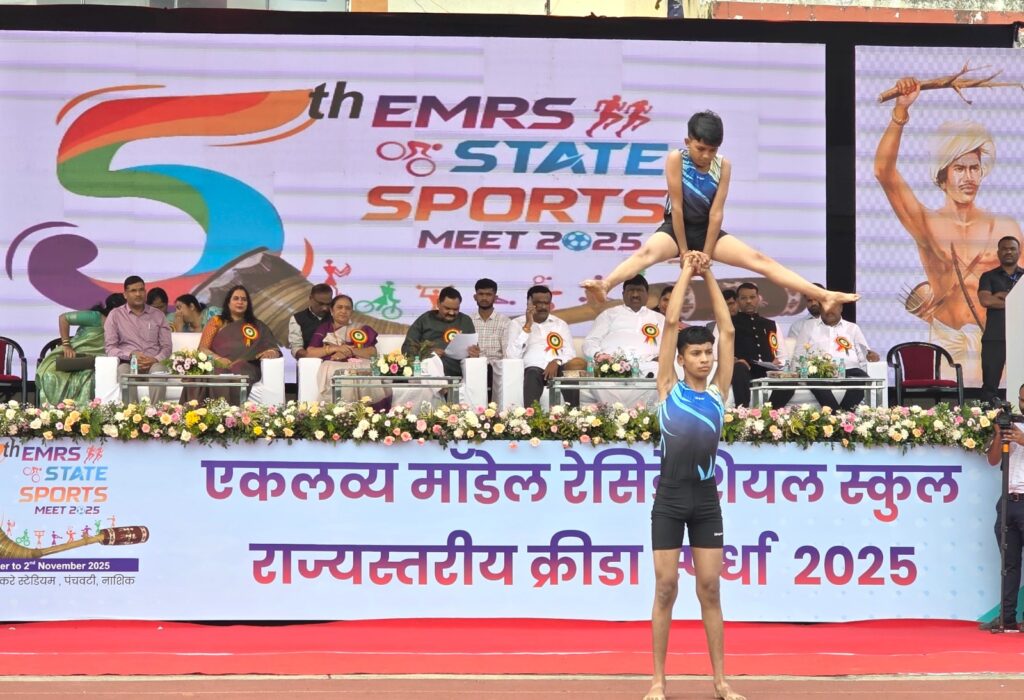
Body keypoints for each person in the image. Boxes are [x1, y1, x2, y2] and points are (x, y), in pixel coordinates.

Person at [581, 110, 856, 315]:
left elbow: (716, 214)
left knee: (760, 260)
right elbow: (677, 207)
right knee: (646, 254)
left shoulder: (723, 165)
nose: (705, 156)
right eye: (700, 148)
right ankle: (605, 285)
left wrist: (706, 253)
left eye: (712, 150)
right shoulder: (676, 158)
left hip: (707, 230)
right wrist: (685, 252)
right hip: (676, 228)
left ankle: (823, 294)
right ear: (688, 141)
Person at [875, 78, 1023, 387]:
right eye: (959, 169)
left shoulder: (1005, 228)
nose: (969, 177)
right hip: (947, 341)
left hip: (996, 338)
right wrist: (900, 112)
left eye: (974, 168)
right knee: (948, 409)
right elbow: (884, 173)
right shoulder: (927, 223)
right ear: (942, 175)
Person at [647, 251, 743, 700]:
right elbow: (670, 324)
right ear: (682, 359)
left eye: (708, 353)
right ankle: (658, 681)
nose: (705, 359)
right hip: (669, 499)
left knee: (710, 588)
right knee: (666, 588)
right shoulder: (668, 387)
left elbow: (728, 330)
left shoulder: (720, 391)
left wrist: (711, 273)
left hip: (705, 501)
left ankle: (721, 681)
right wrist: (687, 270)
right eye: (697, 354)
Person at [773, 303, 881, 411]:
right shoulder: (808, 326)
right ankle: (839, 416)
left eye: (833, 307)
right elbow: (799, 353)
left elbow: (863, 354)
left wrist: (870, 358)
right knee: (813, 377)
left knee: (862, 377)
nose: (829, 311)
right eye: (825, 307)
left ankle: (840, 415)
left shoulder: (852, 328)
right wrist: (797, 375)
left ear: (841, 308)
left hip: (846, 370)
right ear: (820, 309)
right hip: (818, 371)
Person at [582, 275, 664, 406]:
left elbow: (669, 345)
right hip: (611, 364)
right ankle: (623, 413)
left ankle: (624, 413)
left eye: (639, 290)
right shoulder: (609, 315)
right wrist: (598, 355)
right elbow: (590, 341)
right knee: (596, 371)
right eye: (631, 290)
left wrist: (663, 357)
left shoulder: (659, 318)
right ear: (623, 294)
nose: (635, 294)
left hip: (647, 365)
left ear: (647, 294)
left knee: (660, 371)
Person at [982, 383, 1024, 632]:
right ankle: (1006, 617)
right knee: (1009, 564)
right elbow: (993, 459)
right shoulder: (1011, 424)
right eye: (1022, 400)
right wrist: (999, 433)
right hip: (1008, 501)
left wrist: (1022, 439)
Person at [194, 285, 282, 404]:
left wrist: (271, 352)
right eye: (236, 298)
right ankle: (220, 411)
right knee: (216, 372)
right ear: (228, 302)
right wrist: (218, 359)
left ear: (248, 304)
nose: (240, 302)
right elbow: (202, 348)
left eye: (244, 299)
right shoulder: (217, 321)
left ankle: (234, 412)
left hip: (246, 366)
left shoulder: (257, 325)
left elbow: (272, 347)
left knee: (239, 368)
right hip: (218, 365)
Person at [36, 294, 125, 406]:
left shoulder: (124, 325)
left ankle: (84, 413)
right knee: (51, 375)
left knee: (93, 378)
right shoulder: (95, 317)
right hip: (72, 357)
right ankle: (56, 412)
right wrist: (66, 345)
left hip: (95, 362)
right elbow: (63, 318)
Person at [505, 285, 585, 407]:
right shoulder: (516, 324)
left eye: (546, 303)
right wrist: (527, 327)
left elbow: (570, 353)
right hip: (532, 371)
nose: (543, 307)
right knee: (532, 372)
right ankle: (532, 416)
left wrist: (557, 361)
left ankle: (574, 414)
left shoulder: (559, 324)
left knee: (571, 371)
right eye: (538, 303)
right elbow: (511, 356)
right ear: (529, 304)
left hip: (558, 368)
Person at [104, 276, 172, 402]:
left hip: (153, 363)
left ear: (145, 292)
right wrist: (130, 355)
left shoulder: (158, 315)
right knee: (124, 371)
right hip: (129, 363)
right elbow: (110, 348)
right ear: (125, 294)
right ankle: (132, 412)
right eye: (133, 291)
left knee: (159, 371)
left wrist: (155, 359)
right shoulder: (115, 315)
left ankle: (157, 412)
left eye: (141, 290)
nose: (138, 294)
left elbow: (167, 347)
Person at [305, 294, 383, 405]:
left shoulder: (361, 328)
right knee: (339, 372)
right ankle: (339, 410)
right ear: (331, 311)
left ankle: (366, 409)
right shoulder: (324, 328)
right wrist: (335, 348)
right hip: (334, 366)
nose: (343, 311)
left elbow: (372, 353)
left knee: (367, 369)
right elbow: (310, 352)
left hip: (359, 365)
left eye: (347, 308)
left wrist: (348, 351)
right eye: (339, 307)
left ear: (351, 312)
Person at [978, 237, 1023, 405]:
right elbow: (985, 300)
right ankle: (987, 418)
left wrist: (1001, 296)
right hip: (994, 336)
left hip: (1021, 337)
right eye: (1004, 248)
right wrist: (1016, 301)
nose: (1008, 251)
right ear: (998, 253)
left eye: (1012, 248)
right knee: (990, 384)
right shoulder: (988, 276)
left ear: (1019, 252)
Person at [402, 286, 478, 377]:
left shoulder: (465, 321)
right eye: (447, 308)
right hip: (427, 364)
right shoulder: (425, 319)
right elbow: (407, 348)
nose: (451, 313)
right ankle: (440, 385)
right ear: (438, 303)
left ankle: (440, 384)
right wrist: (427, 353)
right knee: (430, 362)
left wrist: (474, 353)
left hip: (454, 368)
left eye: (455, 309)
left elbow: (473, 349)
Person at [730, 282, 781, 407]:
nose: (748, 301)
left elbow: (782, 354)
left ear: (758, 299)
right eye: (744, 298)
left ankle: (771, 412)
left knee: (790, 381)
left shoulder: (771, 324)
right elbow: (716, 353)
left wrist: (778, 362)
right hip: (744, 370)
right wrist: (734, 360)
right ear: (737, 301)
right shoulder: (728, 323)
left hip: (769, 370)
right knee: (739, 368)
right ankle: (742, 411)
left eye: (752, 297)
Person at [469, 278, 511, 399]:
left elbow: (507, 353)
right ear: (475, 297)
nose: (484, 298)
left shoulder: (505, 322)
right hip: (473, 366)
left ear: (495, 298)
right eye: (481, 294)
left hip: (496, 367)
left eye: (488, 294)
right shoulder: (467, 320)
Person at [289, 283, 334, 359]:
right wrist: (312, 355)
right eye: (320, 304)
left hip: (335, 362)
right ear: (311, 298)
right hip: (308, 363)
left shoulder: (336, 317)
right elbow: (296, 348)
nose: (325, 308)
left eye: (328, 304)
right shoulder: (297, 319)